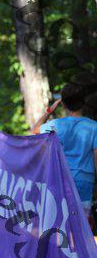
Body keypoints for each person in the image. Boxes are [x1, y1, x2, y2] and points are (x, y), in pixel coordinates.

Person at [33, 84, 97, 220]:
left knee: (61, 222)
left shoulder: (57, 125)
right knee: (81, 223)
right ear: (83, 102)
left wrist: (49, 110)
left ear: (63, 104)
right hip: (84, 182)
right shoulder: (94, 127)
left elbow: (36, 129)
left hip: (60, 179)